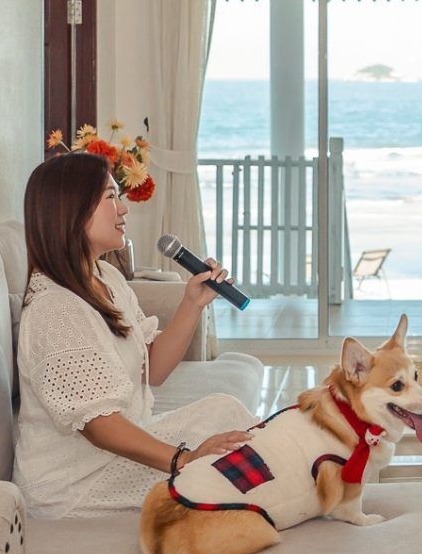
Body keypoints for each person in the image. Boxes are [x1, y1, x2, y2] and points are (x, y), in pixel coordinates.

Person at [13, 150, 257, 518]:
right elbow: (100, 427)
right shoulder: (56, 310)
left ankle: (298, 482)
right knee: (220, 459)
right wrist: (184, 460)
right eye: (111, 197)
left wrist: (193, 303)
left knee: (222, 411)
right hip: (75, 485)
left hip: (110, 456)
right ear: (71, 210)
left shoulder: (104, 277)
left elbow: (152, 370)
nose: (123, 209)